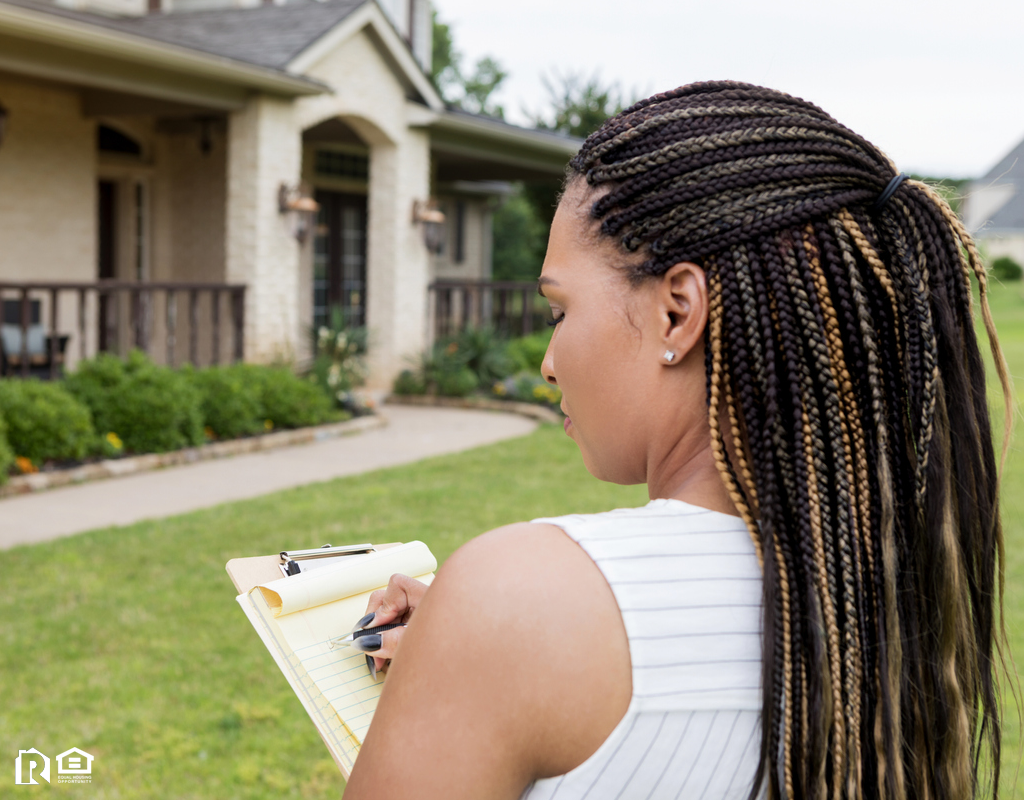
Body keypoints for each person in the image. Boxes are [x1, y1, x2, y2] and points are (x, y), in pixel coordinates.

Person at [342, 81, 1011, 800]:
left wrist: (471, 644)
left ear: (677, 312)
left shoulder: (510, 601)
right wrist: (461, 642)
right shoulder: (881, 598)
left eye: (559, 310)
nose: (547, 361)